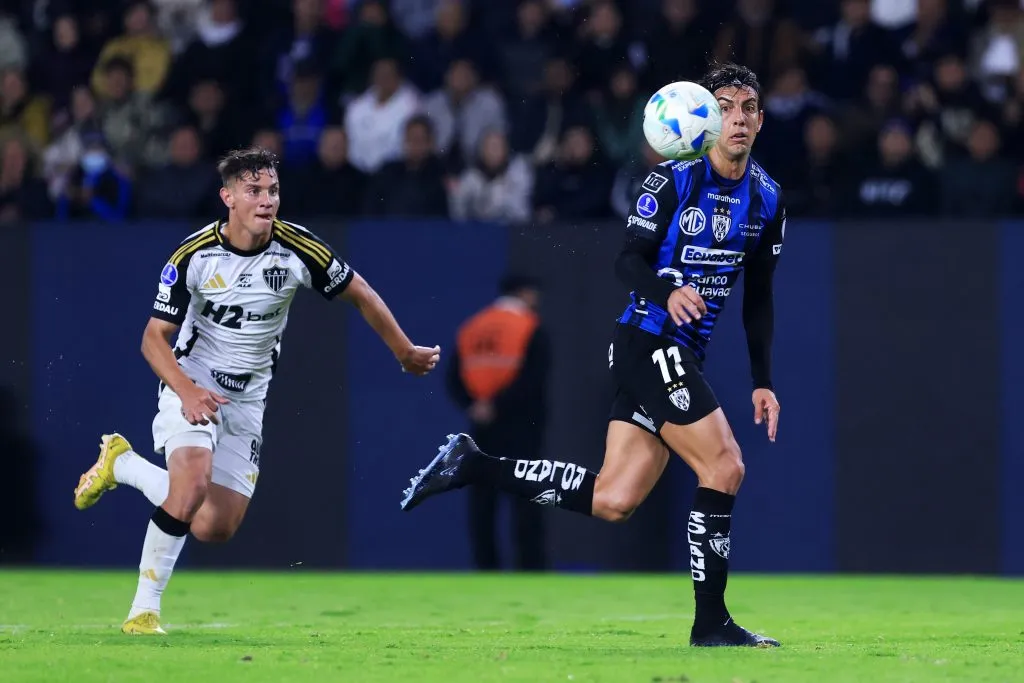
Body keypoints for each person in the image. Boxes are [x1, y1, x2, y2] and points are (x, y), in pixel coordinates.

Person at [400, 62, 785, 648]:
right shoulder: (673, 182)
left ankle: (472, 464)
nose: (738, 116)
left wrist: (763, 379)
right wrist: (667, 288)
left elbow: (759, 295)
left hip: (682, 356)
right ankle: (712, 624)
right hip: (647, 342)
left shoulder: (767, 198)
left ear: (760, 119)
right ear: (705, 117)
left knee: (614, 499)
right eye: (726, 105)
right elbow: (627, 262)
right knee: (724, 467)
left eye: (749, 107)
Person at [73, 146, 440, 635]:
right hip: (191, 381)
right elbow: (152, 338)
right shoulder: (194, 256)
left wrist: (404, 351)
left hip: (247, 399)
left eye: (272, 190)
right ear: (228, 197)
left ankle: (124, 464)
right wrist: (185, 391)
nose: (266, 200)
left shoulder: (298, 249)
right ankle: (144, 611)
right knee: (191, 486)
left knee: (213, 526)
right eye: (254, 191)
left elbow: (361, 294)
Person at [446, 274, 550, 571]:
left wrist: (476, 406)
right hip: (522, 424)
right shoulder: (530, 327)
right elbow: (533, 379)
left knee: (483, 498)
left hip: (483, 425)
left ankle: (485, 567)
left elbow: (454, 377)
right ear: (525, 292)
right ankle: (531, 567)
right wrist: (499, 405)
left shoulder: (472, 327)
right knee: (528, 493)